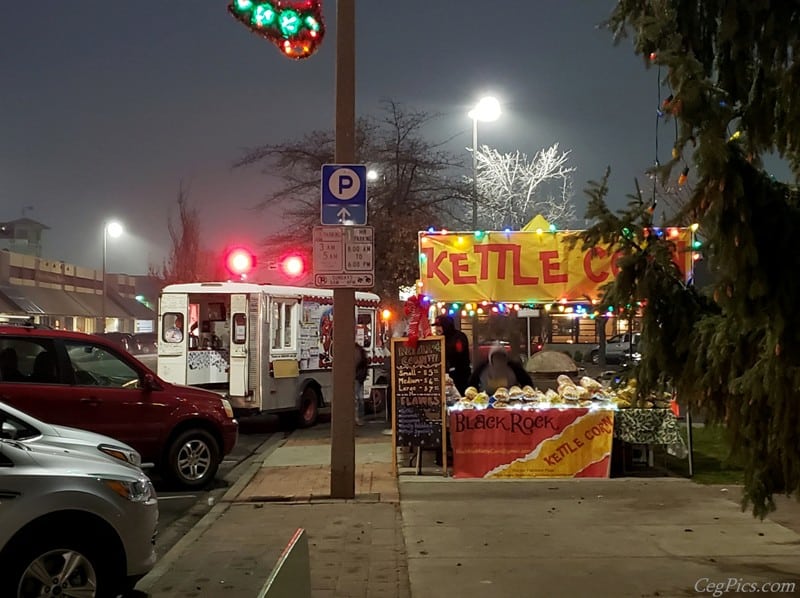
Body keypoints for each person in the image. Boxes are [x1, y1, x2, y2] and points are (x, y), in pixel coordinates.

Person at [469, 343, 533, 396]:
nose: (498, 360)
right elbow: (471, 385)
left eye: (501, 357)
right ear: (491, 358)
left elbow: (527, 383)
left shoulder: (514, 368)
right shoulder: (482, 368)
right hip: (486, 400)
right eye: (496, 357)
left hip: (510, 400)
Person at [433, 315, 471, 395]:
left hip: (459, 377)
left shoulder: (459, 337)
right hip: (444, 376)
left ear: (446, 325)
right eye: (436, 326)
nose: (437, 329)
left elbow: (459, 353)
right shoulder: (439, 339)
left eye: (439, 326)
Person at [354, 342, 368, 426]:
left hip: (356, 378)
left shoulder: (356, 352)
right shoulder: (361, 352)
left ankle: (357, 418)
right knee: (360, 399)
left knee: (356, 399)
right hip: (360, 378)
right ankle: (359, 418)